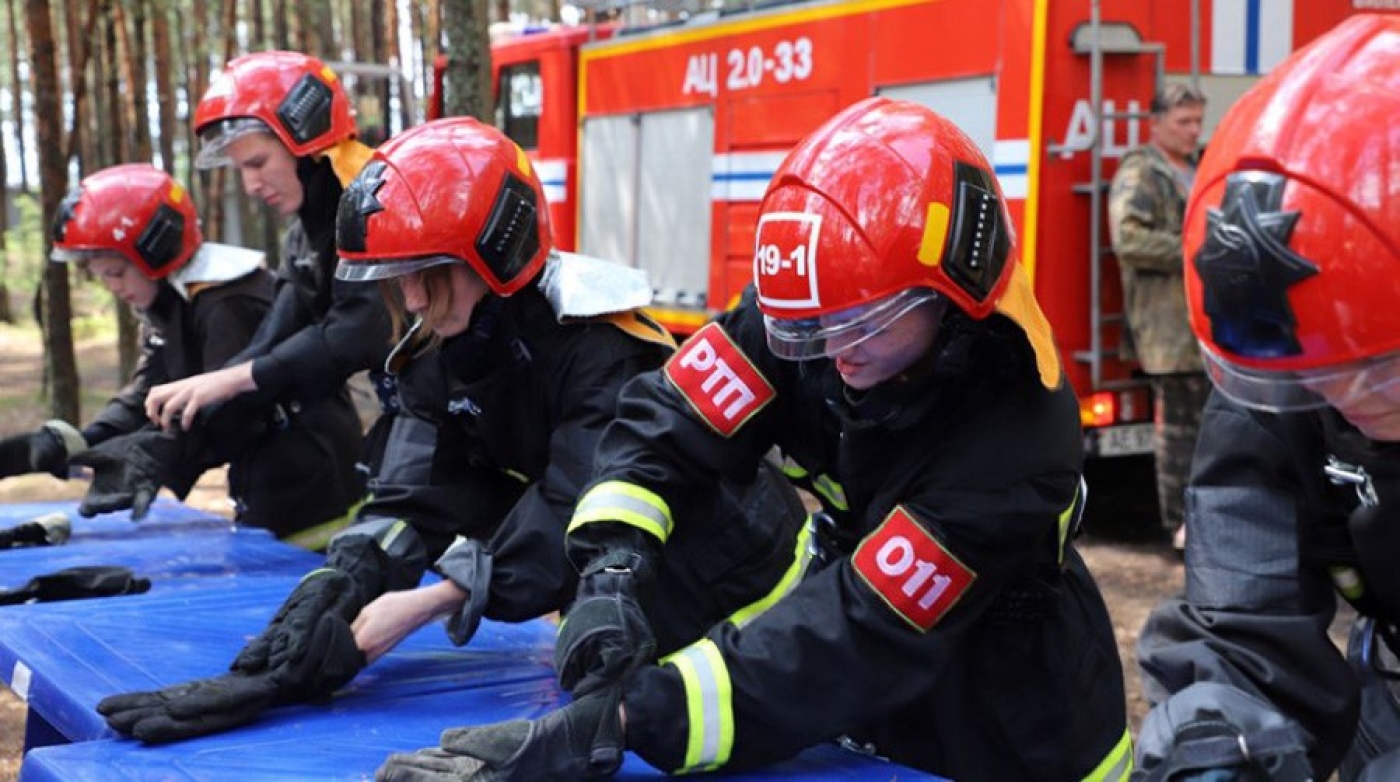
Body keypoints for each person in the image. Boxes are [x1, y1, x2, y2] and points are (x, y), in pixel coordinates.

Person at [377, 97, 1132, 782]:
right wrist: (612, 564)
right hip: (858, 713)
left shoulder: (1015, 441)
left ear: (952, 298)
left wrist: (627, 720)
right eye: (809, 331)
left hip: (1009, 730)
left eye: (861, 328)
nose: (835, 355)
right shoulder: (819, 303)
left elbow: (851, 634)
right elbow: (666, 422)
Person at [94, 117, 806, 745]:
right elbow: (416, 495)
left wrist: (438, 598)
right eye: (394, 278)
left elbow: (577, 501)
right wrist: (339, 587)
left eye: (425, 275)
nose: (408, 299)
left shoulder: (602, 348)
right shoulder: (444, 344)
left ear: (495, 254)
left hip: (748, 598)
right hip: (624, 615)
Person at [1132, 14, 1400, 782]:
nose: (1343, 403)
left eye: (1379, 371)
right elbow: (1244, 616)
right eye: (1314, 379)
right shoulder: (1287, 358)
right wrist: (1213, 737)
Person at [0, 164, 361, 542]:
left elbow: (233, 412)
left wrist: (152, 454)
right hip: (267, 484)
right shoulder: (172, 303)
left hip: (312, 487)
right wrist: (84, 440)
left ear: (156, 250)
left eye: (117, 272)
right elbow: (149, 392)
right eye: (102, 275)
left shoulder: (226, 302)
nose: (112, 287)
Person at [135, 51, 393, 546]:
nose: (252, 185)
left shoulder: (370, 206)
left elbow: (357, 330)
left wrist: (232, 379)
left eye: (258, 162)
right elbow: (280, 334)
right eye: (240, 170)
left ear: (306, 140)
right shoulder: (308, 230)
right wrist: (191, 413)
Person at [1108, 83, 1211, 549]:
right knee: (1178, 437)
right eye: (1183, 122)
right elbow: (1128, 239)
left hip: (1204, 322)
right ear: (1157, 123)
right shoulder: (1142, 172)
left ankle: (1209, 521)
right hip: (1166, 327)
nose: (1194, 131)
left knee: (1210, 432)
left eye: (1197, 120)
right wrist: (1195, 251)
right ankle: (1180, 527)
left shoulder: (1198, 166)